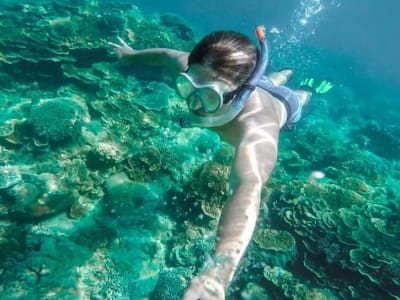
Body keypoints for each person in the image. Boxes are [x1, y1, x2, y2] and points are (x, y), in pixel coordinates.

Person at [110, 26, 315, 300]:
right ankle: (278, 75)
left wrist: (216, 275)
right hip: (254, 81)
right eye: (187, 86)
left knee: (295, 96)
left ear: (239, 94)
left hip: (282, 106)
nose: (194, 105)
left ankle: (303, 86)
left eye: (209, 97)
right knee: (270, 79)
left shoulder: (258, 126)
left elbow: (247, 187)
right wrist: (130, 55)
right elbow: (166, 55)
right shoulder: (203, 71)